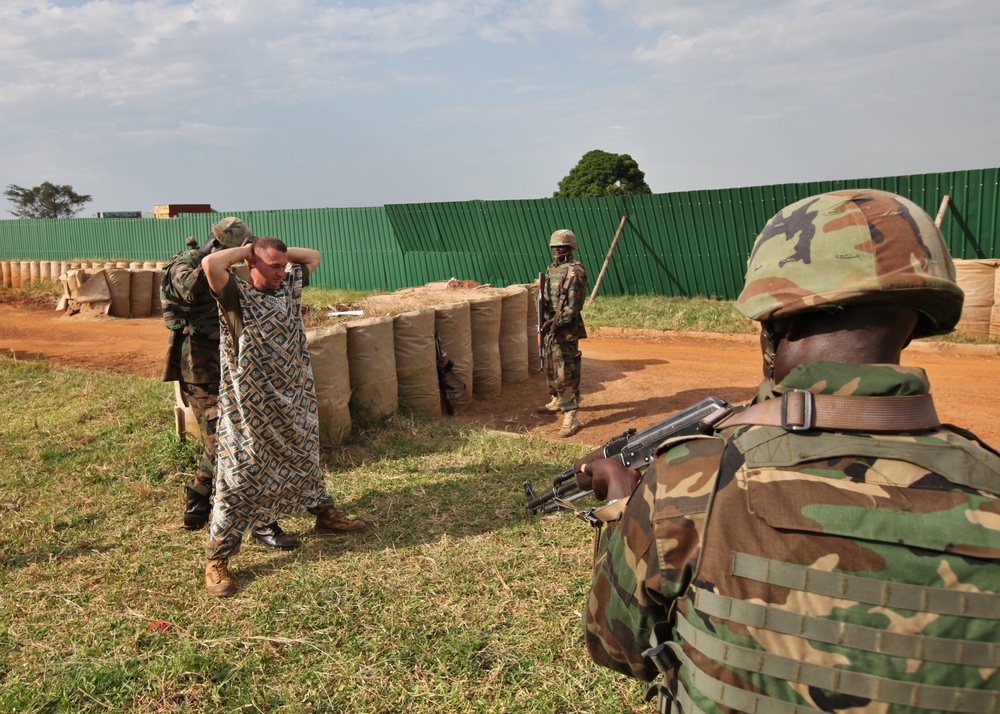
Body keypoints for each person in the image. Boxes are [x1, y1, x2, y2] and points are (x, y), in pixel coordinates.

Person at [577, 189, 1000, 712]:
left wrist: (622, 501)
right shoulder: (991, 483)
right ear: (915, 321)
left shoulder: (693, 478)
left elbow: (614, 644)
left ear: (783, 320)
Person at [200, 236, 369, 597]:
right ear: (252, 265)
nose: (282, 271)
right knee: (238, 477)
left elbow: (315, 254)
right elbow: (211, 265)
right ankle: (218, 559)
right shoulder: (234, 296)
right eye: (273, 266)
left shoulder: (289, 286)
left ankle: (325, 515)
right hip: (250, 410)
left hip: (294, 400)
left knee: (304, 461)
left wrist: (276, 255)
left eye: (282, 265)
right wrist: (249, 251)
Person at [160, 217, 294, 551]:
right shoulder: (184, 266)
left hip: (230, 365)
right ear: (221, 247)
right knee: (232, 443)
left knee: (224, 441)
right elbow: (194, 286)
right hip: (200, 369)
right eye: (240, 251)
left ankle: (197, 502)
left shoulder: (225, 267)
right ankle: (262, 521)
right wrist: (241, 254)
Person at [537, 228, 588, 437]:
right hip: (550, 327)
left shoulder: (575, 271)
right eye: (554, 246)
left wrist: (555, 322)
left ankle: (570, 414)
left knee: (566, 371)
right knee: (550, 366)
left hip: (566, 329)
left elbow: (573, 307)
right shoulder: (552, 269)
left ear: (570, 247)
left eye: (561, 246)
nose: (556, 249)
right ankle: (557, 399)